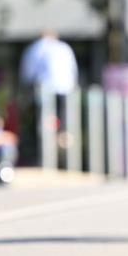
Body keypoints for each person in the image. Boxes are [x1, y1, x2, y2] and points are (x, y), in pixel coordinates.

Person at [19, 31, 78, 161]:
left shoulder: (37, 47)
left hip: (46, 90)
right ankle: (61, 150)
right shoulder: (65, 47)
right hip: (65, 90)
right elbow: (73, 71)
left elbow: (28, 73)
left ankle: (48, 153)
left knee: (45, 123)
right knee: (62, 125)